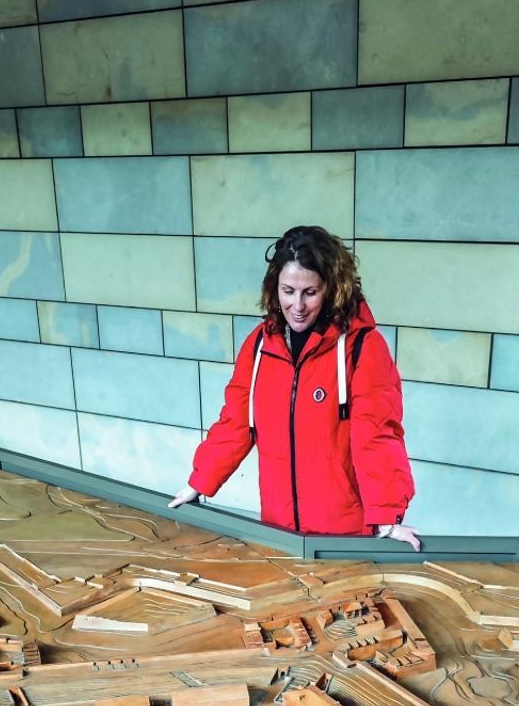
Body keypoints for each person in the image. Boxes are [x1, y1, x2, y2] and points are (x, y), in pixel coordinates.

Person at [169, 226, 421, 549]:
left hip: (343, 538)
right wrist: (199, 482)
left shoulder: (362, 348)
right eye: (288, 291)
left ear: (332, 288)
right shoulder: (260, 347)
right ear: (274, 288)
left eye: (310, 292)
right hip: (279, 532)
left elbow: (378, 435)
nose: (297, 305)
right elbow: (235, 423)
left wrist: (387, 518)